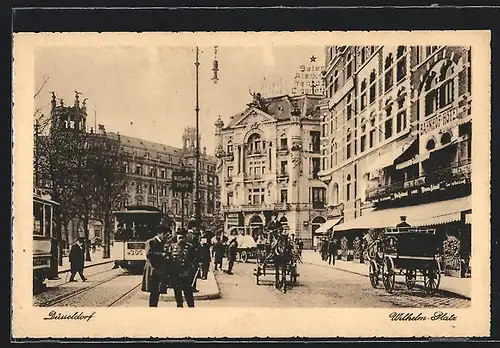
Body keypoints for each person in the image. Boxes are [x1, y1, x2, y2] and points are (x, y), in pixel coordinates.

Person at [141, 225, 170, 307]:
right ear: (159, 233)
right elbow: (148, 254)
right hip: (153, 270)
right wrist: (162, 255)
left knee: (157, 292)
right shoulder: (150, 242)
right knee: (153, 291)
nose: (165, 236)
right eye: (164, 234)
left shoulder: (162, 242)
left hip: (159, 270)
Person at [168, 231, 196, 308]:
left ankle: (191, 308)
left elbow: (194, 259)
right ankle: (179, 307)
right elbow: (170, 260)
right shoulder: (173, 246)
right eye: (179, 237)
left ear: (185, 238)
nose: (181, 239)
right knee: (177, 292)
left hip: (186, 273)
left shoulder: (190, 247)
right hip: (175, 274)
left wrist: (191, 269)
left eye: (182, 238)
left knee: (188, 292)